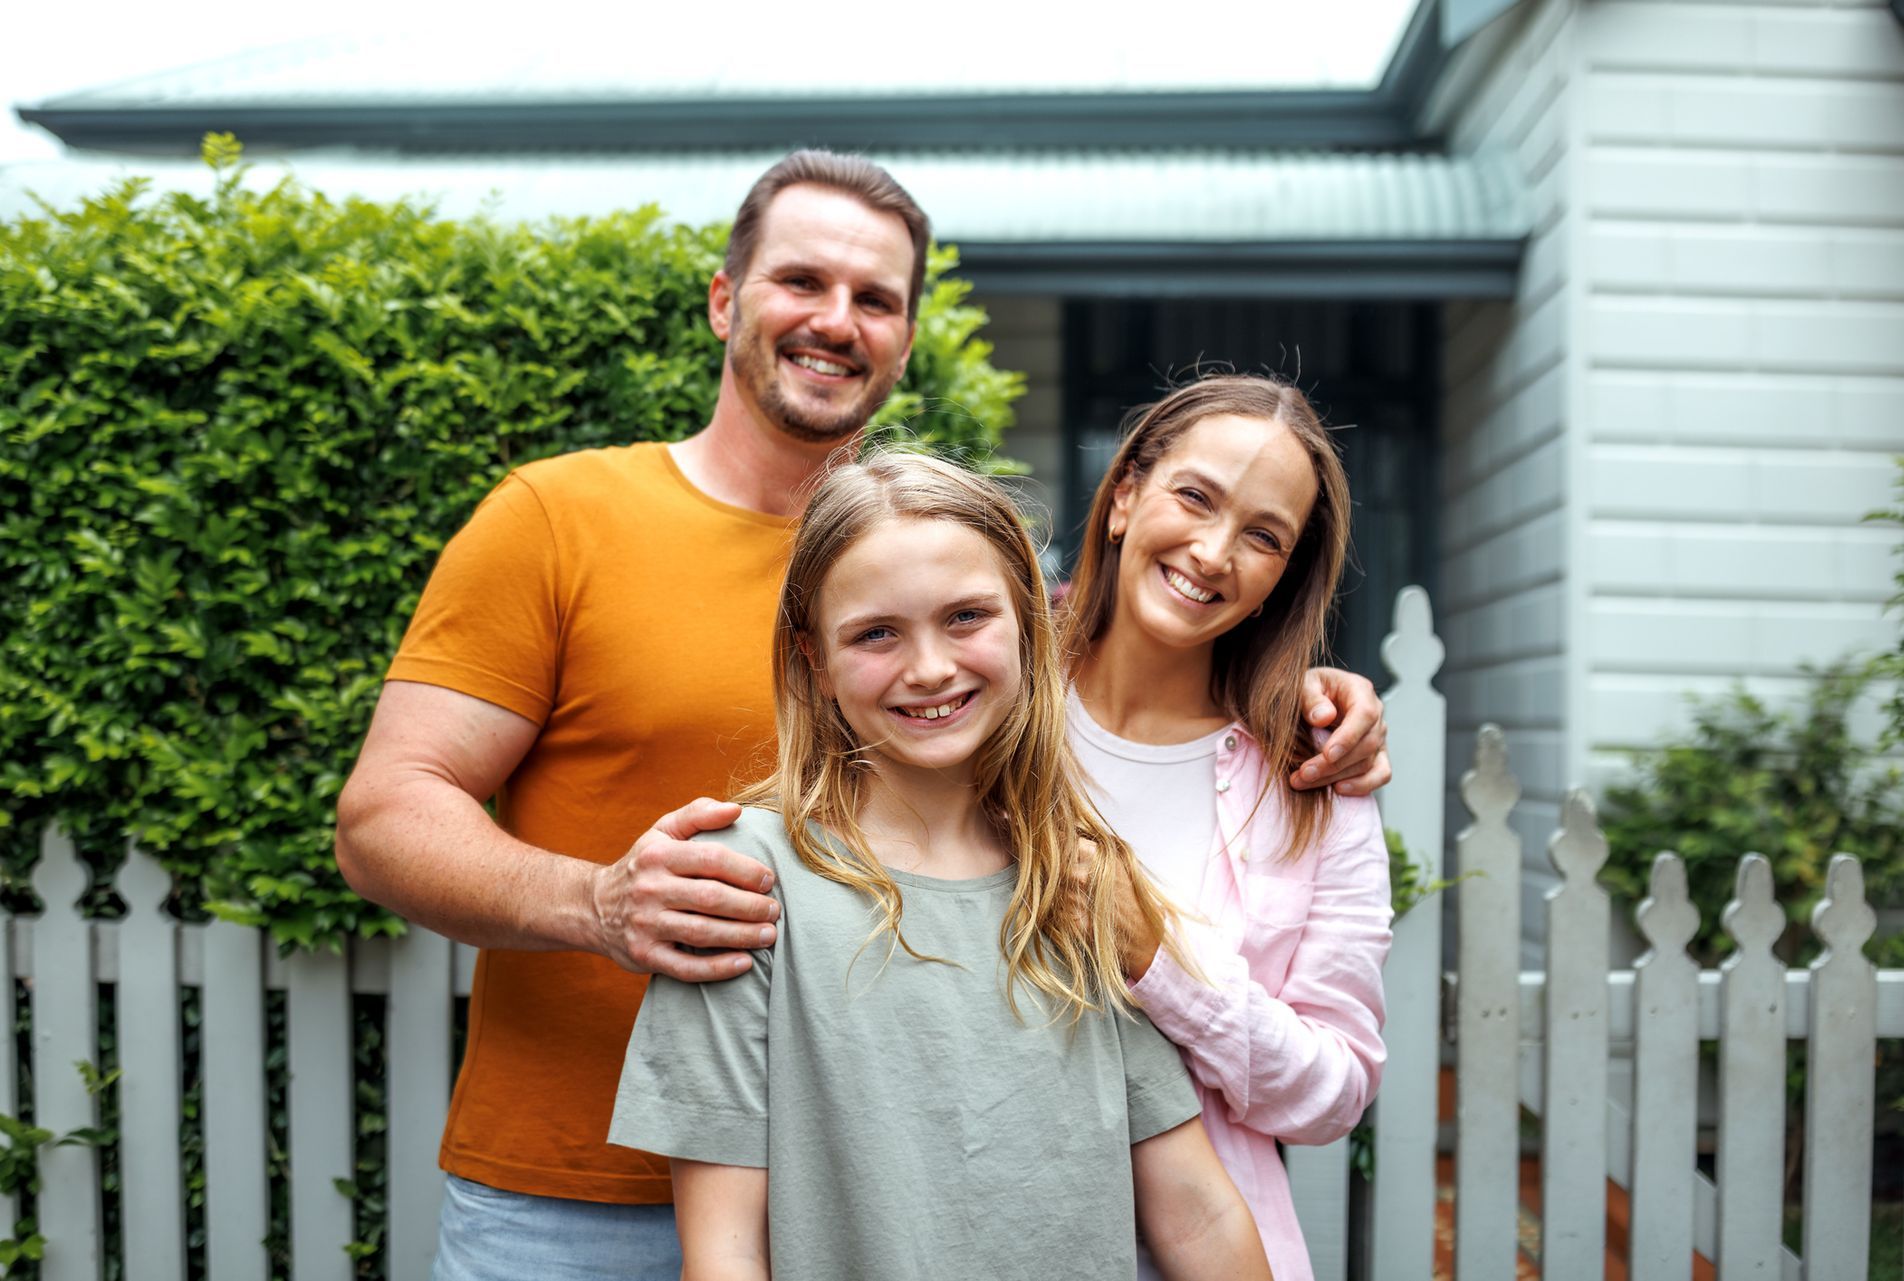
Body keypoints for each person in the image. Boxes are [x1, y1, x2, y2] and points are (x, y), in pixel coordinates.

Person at [333, 149, 1389, 1278]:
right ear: (724, 299)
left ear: (905, 337)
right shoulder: (559, 518)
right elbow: (382, 819)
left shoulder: (963, 581)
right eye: (802, 282)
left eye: (876, 299)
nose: (836, 321)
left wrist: (1314, 693)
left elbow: (1154, 638)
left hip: (882, 1200)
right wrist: (599, 902)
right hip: (569, 1195)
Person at [609, 451, 1273, 1280]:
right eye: (877, 632)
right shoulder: (743, 884)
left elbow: (1199, 1213)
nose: (929, 667)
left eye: (966, 616)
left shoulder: (1073, 879)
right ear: (814, 660)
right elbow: (726, 1251)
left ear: (1030, 625)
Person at [1061, 374, 1394, 1280]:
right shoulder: (991, 703)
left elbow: (1335, 1091)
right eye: (1195, 497)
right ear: (1126, 492)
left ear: (1283, 575)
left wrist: (1159, 962)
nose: (1212, 552)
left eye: (1263, 536)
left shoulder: (1316, 780)